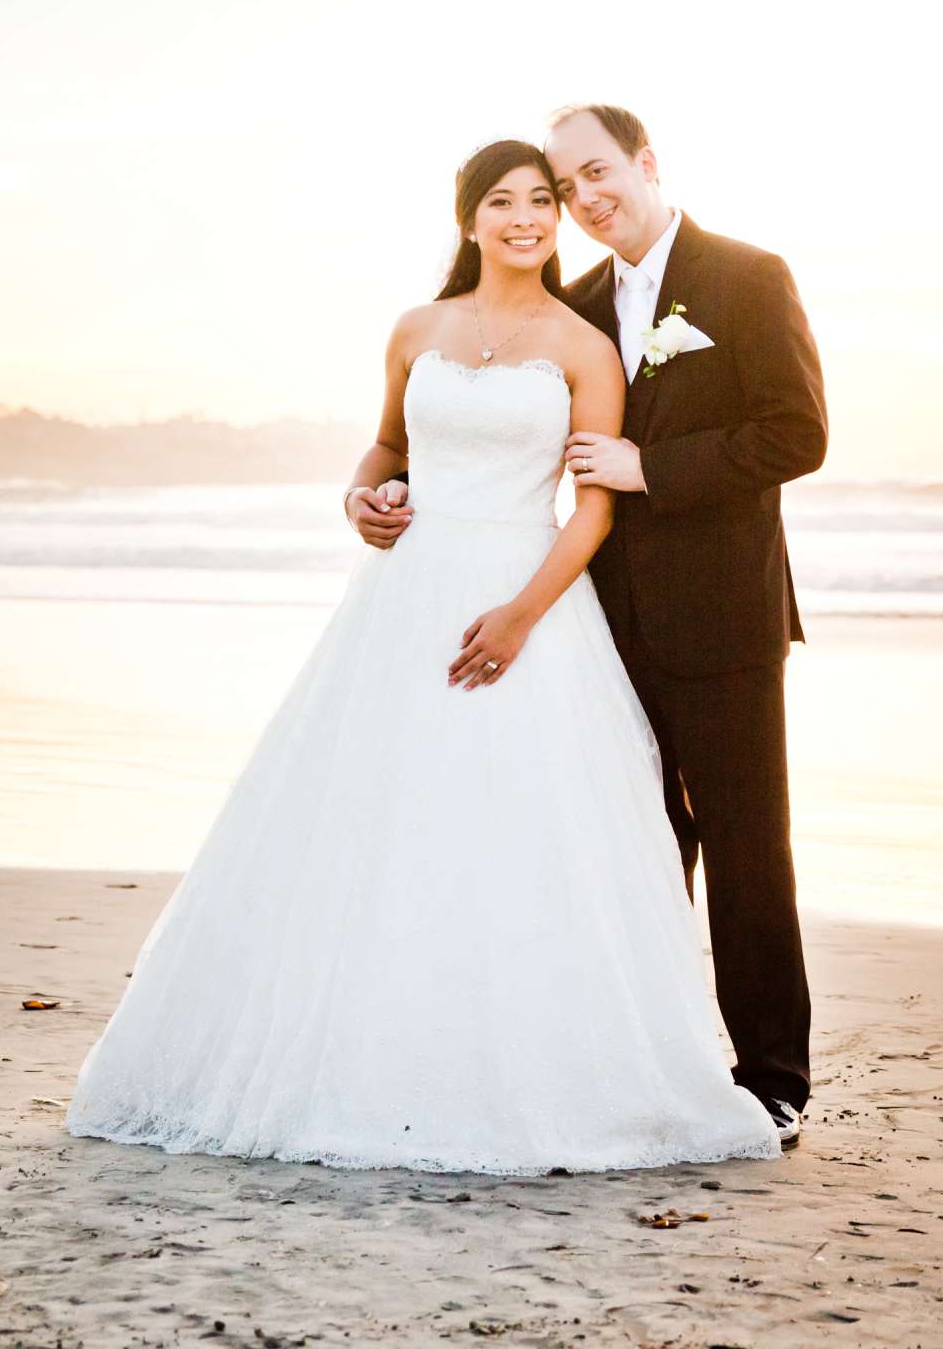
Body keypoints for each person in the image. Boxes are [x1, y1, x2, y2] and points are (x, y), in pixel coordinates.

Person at [66, 140, 780, 1175]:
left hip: (528, 603)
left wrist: (522, 615)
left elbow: (593, 510)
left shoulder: (586, 346)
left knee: (520, 835)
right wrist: (361, 497)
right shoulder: (416, 330)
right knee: (380, 821)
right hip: (406, 603)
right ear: (469, 216)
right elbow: (387, 448)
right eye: (506, 201)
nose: (530, 217)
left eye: (546, 199)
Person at [355, 104, 828, 1149]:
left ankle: (773, 1075)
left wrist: (652, 468)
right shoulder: (568, 304)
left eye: (597, 173)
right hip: (598, 618)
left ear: (647, 162)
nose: (585, 197)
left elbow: (796, 432)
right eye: (569, 186)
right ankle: (649, 1052)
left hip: (723, 615)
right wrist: (385, 499)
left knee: (749, 848)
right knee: (632, 849)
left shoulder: (749, 277)